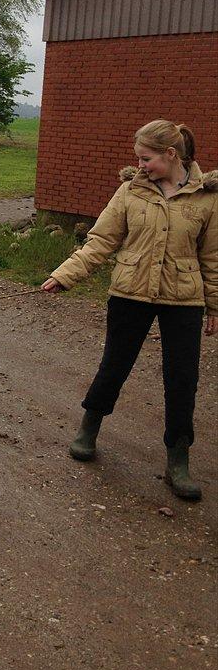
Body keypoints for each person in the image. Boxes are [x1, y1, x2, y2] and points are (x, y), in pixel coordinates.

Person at [41, 120, 217, 501]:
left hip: (183, 299)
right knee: (114, 365)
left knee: (183, 379)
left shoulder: (207, 197)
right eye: (137, 158)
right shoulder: (130, 192)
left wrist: (214, 305)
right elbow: (101, 241)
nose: (140, 166)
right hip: (129, 294)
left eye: (146, 158)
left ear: (171, 155)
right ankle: (88, 429)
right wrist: (64, 275)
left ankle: (178, 460)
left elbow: (212, 256)